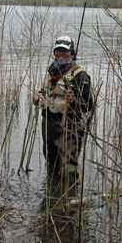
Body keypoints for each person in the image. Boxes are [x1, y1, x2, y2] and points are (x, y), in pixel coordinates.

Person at [33, 36, 93, 177]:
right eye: (58, 50)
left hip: (69, 127)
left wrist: (73, 101)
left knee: (68, 170)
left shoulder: (81, 75)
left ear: (72, 53)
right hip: (48, 125)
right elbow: (47, 90)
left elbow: (88, 105)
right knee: (51, 164)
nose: (61, 53)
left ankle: (69, 195)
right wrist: (39, 94)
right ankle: (51, 194)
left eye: (65, 51)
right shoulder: (52, 71)